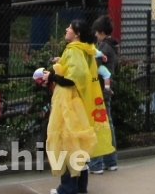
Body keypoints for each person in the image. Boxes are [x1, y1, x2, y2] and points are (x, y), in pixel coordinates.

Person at [38, 20, 114, 194]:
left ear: (77, 34)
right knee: (78, 144)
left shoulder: (73, 50)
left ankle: (67, 188)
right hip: (81, 102)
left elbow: (74, 77)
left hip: (69, 103)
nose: (66, 29)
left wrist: (51, 77)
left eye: (70, 28)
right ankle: (79, 186)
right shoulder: (86, 49)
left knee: (66, 142)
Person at [87, 16, 119, 175]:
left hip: (99, 90)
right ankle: (111, 161)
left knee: (98, 125)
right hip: (107, 89)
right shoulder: (113, 46)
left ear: (100, 33)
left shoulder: (104, 48)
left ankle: (96, 163)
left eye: (96, 33)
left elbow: (93, 64)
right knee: (108, 124)